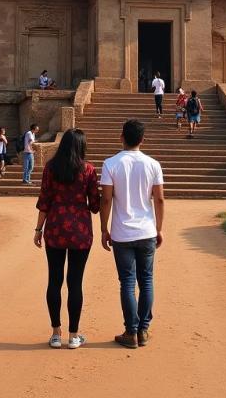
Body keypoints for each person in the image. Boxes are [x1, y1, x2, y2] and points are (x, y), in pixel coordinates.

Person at [100, 119, 165, 349]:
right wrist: (158, 228)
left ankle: (131, 331)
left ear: (121, 137)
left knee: (127, 282)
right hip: (147, 230)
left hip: (122, 233)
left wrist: (103, 229)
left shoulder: (110, 164)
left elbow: (106, 199)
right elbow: (159, 198)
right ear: (142, 139)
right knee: (146, 280)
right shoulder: (153, 164)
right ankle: (144, 330)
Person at [34, 128, 100, 349]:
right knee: (75, 282)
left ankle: (55, 333)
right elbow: (94, 206)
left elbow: (45, 200)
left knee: (54, 280)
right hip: (80, 230)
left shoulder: (51, 168)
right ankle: (73, 336)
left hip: (55, 228)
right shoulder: (88, 170)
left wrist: (38, 230)